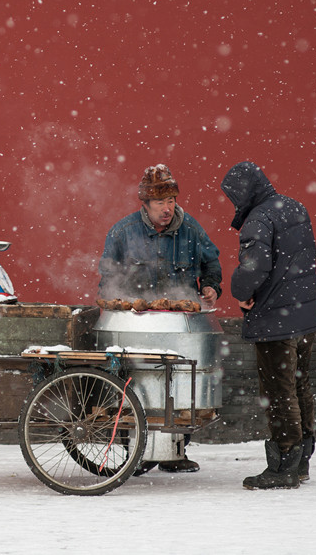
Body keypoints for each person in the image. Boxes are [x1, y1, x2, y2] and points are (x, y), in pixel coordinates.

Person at [98, 164, 223, 473]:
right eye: (160, 203)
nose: (167, 209)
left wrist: (211, 286)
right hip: (136, 323)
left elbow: (211, 264)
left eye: (171, 202)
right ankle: (136, 452)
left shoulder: (191, 229)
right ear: (145, 204)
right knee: (136, 383)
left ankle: (176, 451)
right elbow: (107, 276)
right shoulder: (123, 232)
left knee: (179, 383)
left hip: (179, 322)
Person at [220, 161, 316, 490]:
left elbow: (254, 267)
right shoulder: (295, 207)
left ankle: (283, 463)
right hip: (303, 315)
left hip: (274, 317)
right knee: (298, 385)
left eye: (234, 196)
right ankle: (302, 459)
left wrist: (242, 293)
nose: (234, 204)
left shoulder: (258, 218)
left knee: (278, 390)